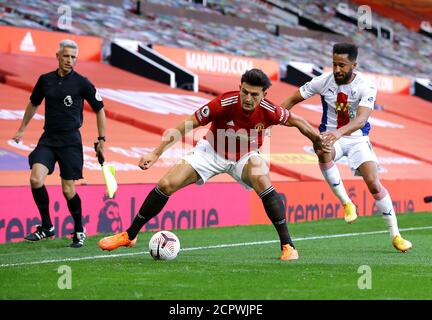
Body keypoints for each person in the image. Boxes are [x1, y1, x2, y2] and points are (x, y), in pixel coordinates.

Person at [99, 68, 326, 260]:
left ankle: (288, 246)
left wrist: (317, 140)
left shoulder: (270, 110)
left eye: (254, 95)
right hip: (211, 151)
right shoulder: (223, 103)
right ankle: (129, 235)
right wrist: (156, 153)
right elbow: (187, 124)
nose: (248, 98)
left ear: (265, 94)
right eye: (245, 92)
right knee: (167, 183)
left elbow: (298, 121)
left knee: (262, 178)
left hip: (246, 155)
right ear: (240, 87)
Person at [280, 43, 412, 252]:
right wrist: (274, 117)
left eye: (342, 65)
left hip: (357, 138)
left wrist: (338, 133)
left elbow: (361, 120)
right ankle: (346, 203)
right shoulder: (323, 81)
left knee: (374, 183)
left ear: (354, 65)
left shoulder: (366, 86)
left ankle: (396, 235)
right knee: (321, 148)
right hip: (332, 138)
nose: (337, 70)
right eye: (334, 64)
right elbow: (292, 99)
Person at [12, 39, 106, 248]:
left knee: (68, 190)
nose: (69, 60)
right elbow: (33, 103)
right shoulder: (45, 80)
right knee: (36, 179)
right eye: (66, 56)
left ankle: (79, 229)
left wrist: (102, 140)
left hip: (71, 141)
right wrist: (21, 128)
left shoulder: (82, 82)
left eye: (73, 57)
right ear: (57, 56)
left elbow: (99, 108)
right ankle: (47, 227)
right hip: (49, 139)